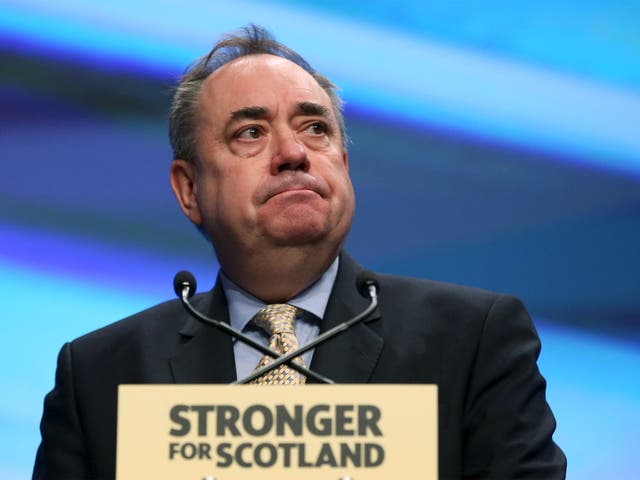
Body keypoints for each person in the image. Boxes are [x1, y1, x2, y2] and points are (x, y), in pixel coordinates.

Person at [33, 24, 566, 479]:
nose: (293, 154)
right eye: (250, 132)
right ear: (189, 190)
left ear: (344, 166)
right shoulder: (101, 376)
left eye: (316, 129)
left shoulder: (473, 341)